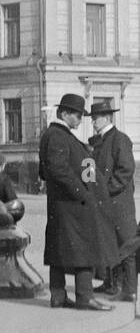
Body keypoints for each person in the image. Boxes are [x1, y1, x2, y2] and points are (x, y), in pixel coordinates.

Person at [37, 93, 116, 311]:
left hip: (61, 205)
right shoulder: (59, 136)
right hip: (72, 206)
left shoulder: (54, 135)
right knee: (84, 249)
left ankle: (59, 296)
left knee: (59, 249)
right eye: (78, 115)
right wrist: (82, 193)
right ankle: (84, 297)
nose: (81, 119)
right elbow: (57, 170)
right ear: (64, 114)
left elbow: (44, 172)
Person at [87, 99, 136, 302]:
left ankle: (129, 289)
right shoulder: (99, 141)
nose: (93, 122)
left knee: (126, 244)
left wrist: (105, 191)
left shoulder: (120, 139)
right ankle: (111, 283)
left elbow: (125, 170)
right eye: (92, 118)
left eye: (96, 118)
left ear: (107, 118)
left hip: (119, 203)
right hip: (106, 202)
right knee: (108, 243)